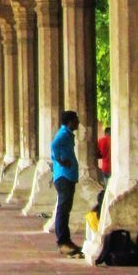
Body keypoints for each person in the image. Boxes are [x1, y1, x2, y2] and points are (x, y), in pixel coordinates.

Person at [51, 109, 81, 257]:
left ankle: (66, 240)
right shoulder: (63, 134)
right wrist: (60, 161)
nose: (78, 122)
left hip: (67, 176)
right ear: (70, 122)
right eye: (76, 119)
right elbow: (54, 146)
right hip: (63, 177)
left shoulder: (67, 134)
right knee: (63, 210)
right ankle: (62, 242)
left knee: (65, 210)